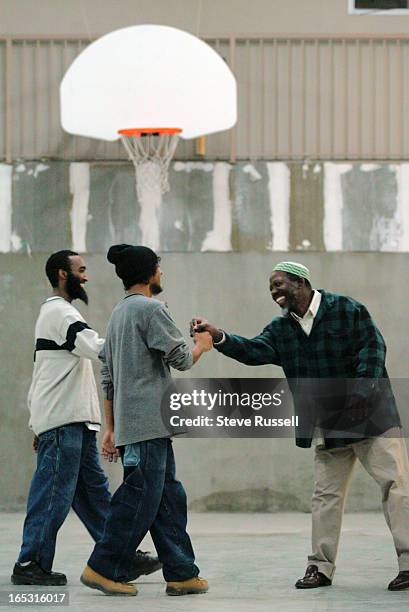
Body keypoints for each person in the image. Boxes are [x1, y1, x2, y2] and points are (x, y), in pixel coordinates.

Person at [193, 261, 409, 592]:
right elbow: (253, 351)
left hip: (372, 418)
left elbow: (373, 350)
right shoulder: (282, 330)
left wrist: (358, 396)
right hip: (330, 426)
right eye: (270, 288)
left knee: (395, 487)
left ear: (301, 282)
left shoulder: (347, 309)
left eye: (278, 284)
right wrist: (219, 335)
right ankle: (319, 568)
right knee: (325, 496)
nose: (273, 291)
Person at [12, 250, 160, 586]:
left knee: (95, 497)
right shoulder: (59, 313)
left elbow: (40, 372)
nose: (87, 276)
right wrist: (143, 343)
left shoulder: (60, 314)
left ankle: (119, 555)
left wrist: (37, 420)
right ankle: (29, 562)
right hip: (63, 422)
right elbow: (98, 347)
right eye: (81, 270)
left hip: (74, 422)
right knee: (52, 494)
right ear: (62, 274)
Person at [80, 244, 212, 597]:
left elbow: (107, 376)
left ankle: (182, 572)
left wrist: (111, 427)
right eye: (159, 267)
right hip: (150, 424)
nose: (162, 273)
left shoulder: (117, 314)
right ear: (150, 272)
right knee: (138, 500)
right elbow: (182, 359)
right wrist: (202, 343)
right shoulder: (152, 309)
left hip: (134, 426)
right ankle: (102, 567)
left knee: (167, 499)